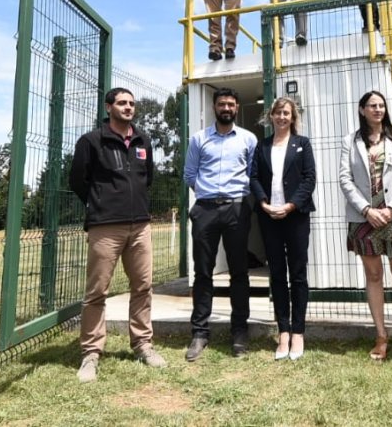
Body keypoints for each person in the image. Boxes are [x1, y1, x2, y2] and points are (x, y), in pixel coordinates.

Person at [68, 88, 166, 382]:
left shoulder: (143, 140)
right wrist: (102, 202)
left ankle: (142, 345)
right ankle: (91, 353)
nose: (128, 107)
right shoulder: (91, 141)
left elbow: (147, 177)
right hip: (105, 226)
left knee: (143, 287)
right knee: (97, 291)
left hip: (140, 226)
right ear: (108, 107)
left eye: (132, 104)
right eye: (122, 103)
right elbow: (78, 180)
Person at [338, 91, 392, 361]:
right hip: (364, 219)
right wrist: (366, 210)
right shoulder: (350, 141)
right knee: (373, 276)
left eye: (381, 105)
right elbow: (345, 179)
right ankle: (381, 335)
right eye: (372, 105)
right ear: (362, 110)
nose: (378, 109)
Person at [183, 87, 258, 360]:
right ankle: (200, 333)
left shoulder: (248, 139)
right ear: (214, 107)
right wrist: (207, 196)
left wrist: (240, 199)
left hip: (237, 209)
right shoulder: (199, 139)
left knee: (239, 272)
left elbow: (252, 173)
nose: (226, 108)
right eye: (222, 104)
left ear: (236, 107)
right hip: (205, 210)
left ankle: (239, 332)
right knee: (203, 272)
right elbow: (190, 174)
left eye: (231, 104)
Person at [250, 97, 316, 361]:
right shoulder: (262, 145)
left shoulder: (303, 144)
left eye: (286, 113)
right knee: (277, 274)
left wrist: (290, 205)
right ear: (271, 116)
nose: (282, 117)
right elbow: (253, 177)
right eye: (278, 113)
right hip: (268, 217)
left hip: (295, 215)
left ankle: (298, 332)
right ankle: (283, 332)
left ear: (293, 117)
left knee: (298, 274)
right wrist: (264, 204)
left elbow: (310, 178)